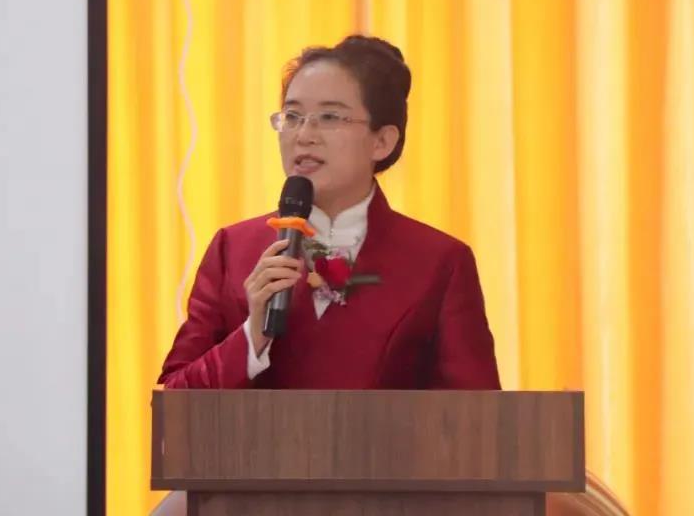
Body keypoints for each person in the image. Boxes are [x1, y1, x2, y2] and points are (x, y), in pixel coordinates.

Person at [157, 35, 499, 390]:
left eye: (330, 117)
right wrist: (252, 335)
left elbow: (477, 413)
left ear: (382, 141)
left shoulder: (440, 261)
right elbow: (177, 398)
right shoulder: (234, 248)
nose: (304, 135)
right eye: (292, 116)